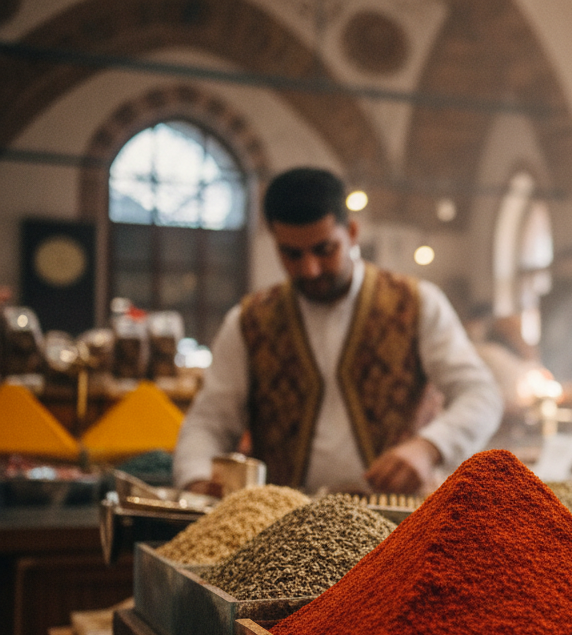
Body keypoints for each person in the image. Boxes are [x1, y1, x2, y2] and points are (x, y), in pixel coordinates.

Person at [174, 168, 503, 494]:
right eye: (292, 254)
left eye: (324, 249)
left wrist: (429, 446)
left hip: (400, 521)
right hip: (282, 525)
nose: (310, 268)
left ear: (353, 233)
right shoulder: (248, 321)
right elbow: (210, 421)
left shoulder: (417, 303)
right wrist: (197, 478)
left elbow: (480, 394)